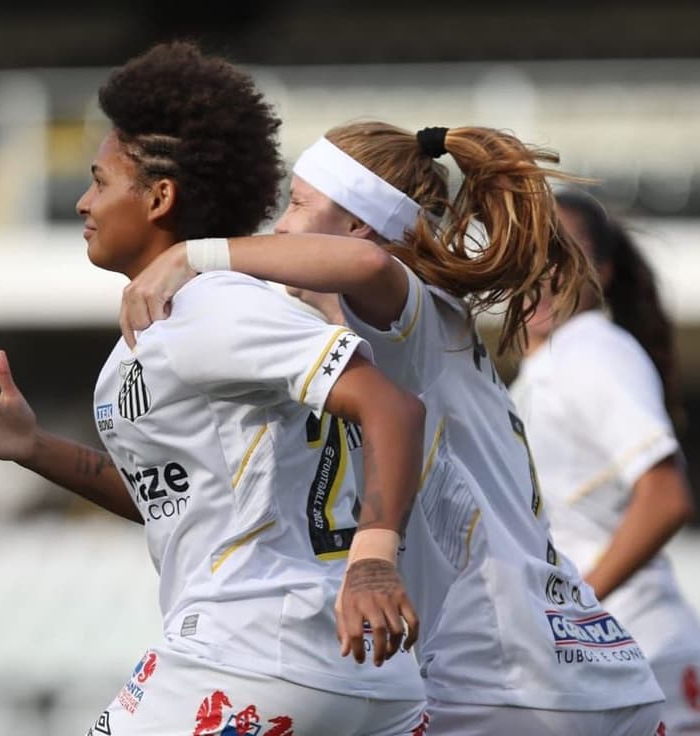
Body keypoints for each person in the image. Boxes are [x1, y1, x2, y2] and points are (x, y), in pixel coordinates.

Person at [119, 123, 668, 734]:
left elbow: (369, 263)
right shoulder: (431, 329)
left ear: (358, 223)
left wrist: (193, 253)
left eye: (299, 204)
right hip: (597, 670)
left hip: (503, 680)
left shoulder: (407, 315)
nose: (280, 226)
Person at [0, 44, 433, 736]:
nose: (85, 201)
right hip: (361, 673)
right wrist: (34, 448)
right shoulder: (167, 329)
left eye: (99, 180)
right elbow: (174, 499)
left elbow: (392, 407)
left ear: (159, 197)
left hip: (252, 650)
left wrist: (374, 561)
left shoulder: (219, 305)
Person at [510, 188, 700, 733]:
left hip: (632, 651)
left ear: (603, 272)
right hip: (608, 657)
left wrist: (572, 613)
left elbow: (666, 497)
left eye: (566, 256)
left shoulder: (589, 350)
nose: (545, 272)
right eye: (529, 250)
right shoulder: (544, 368)